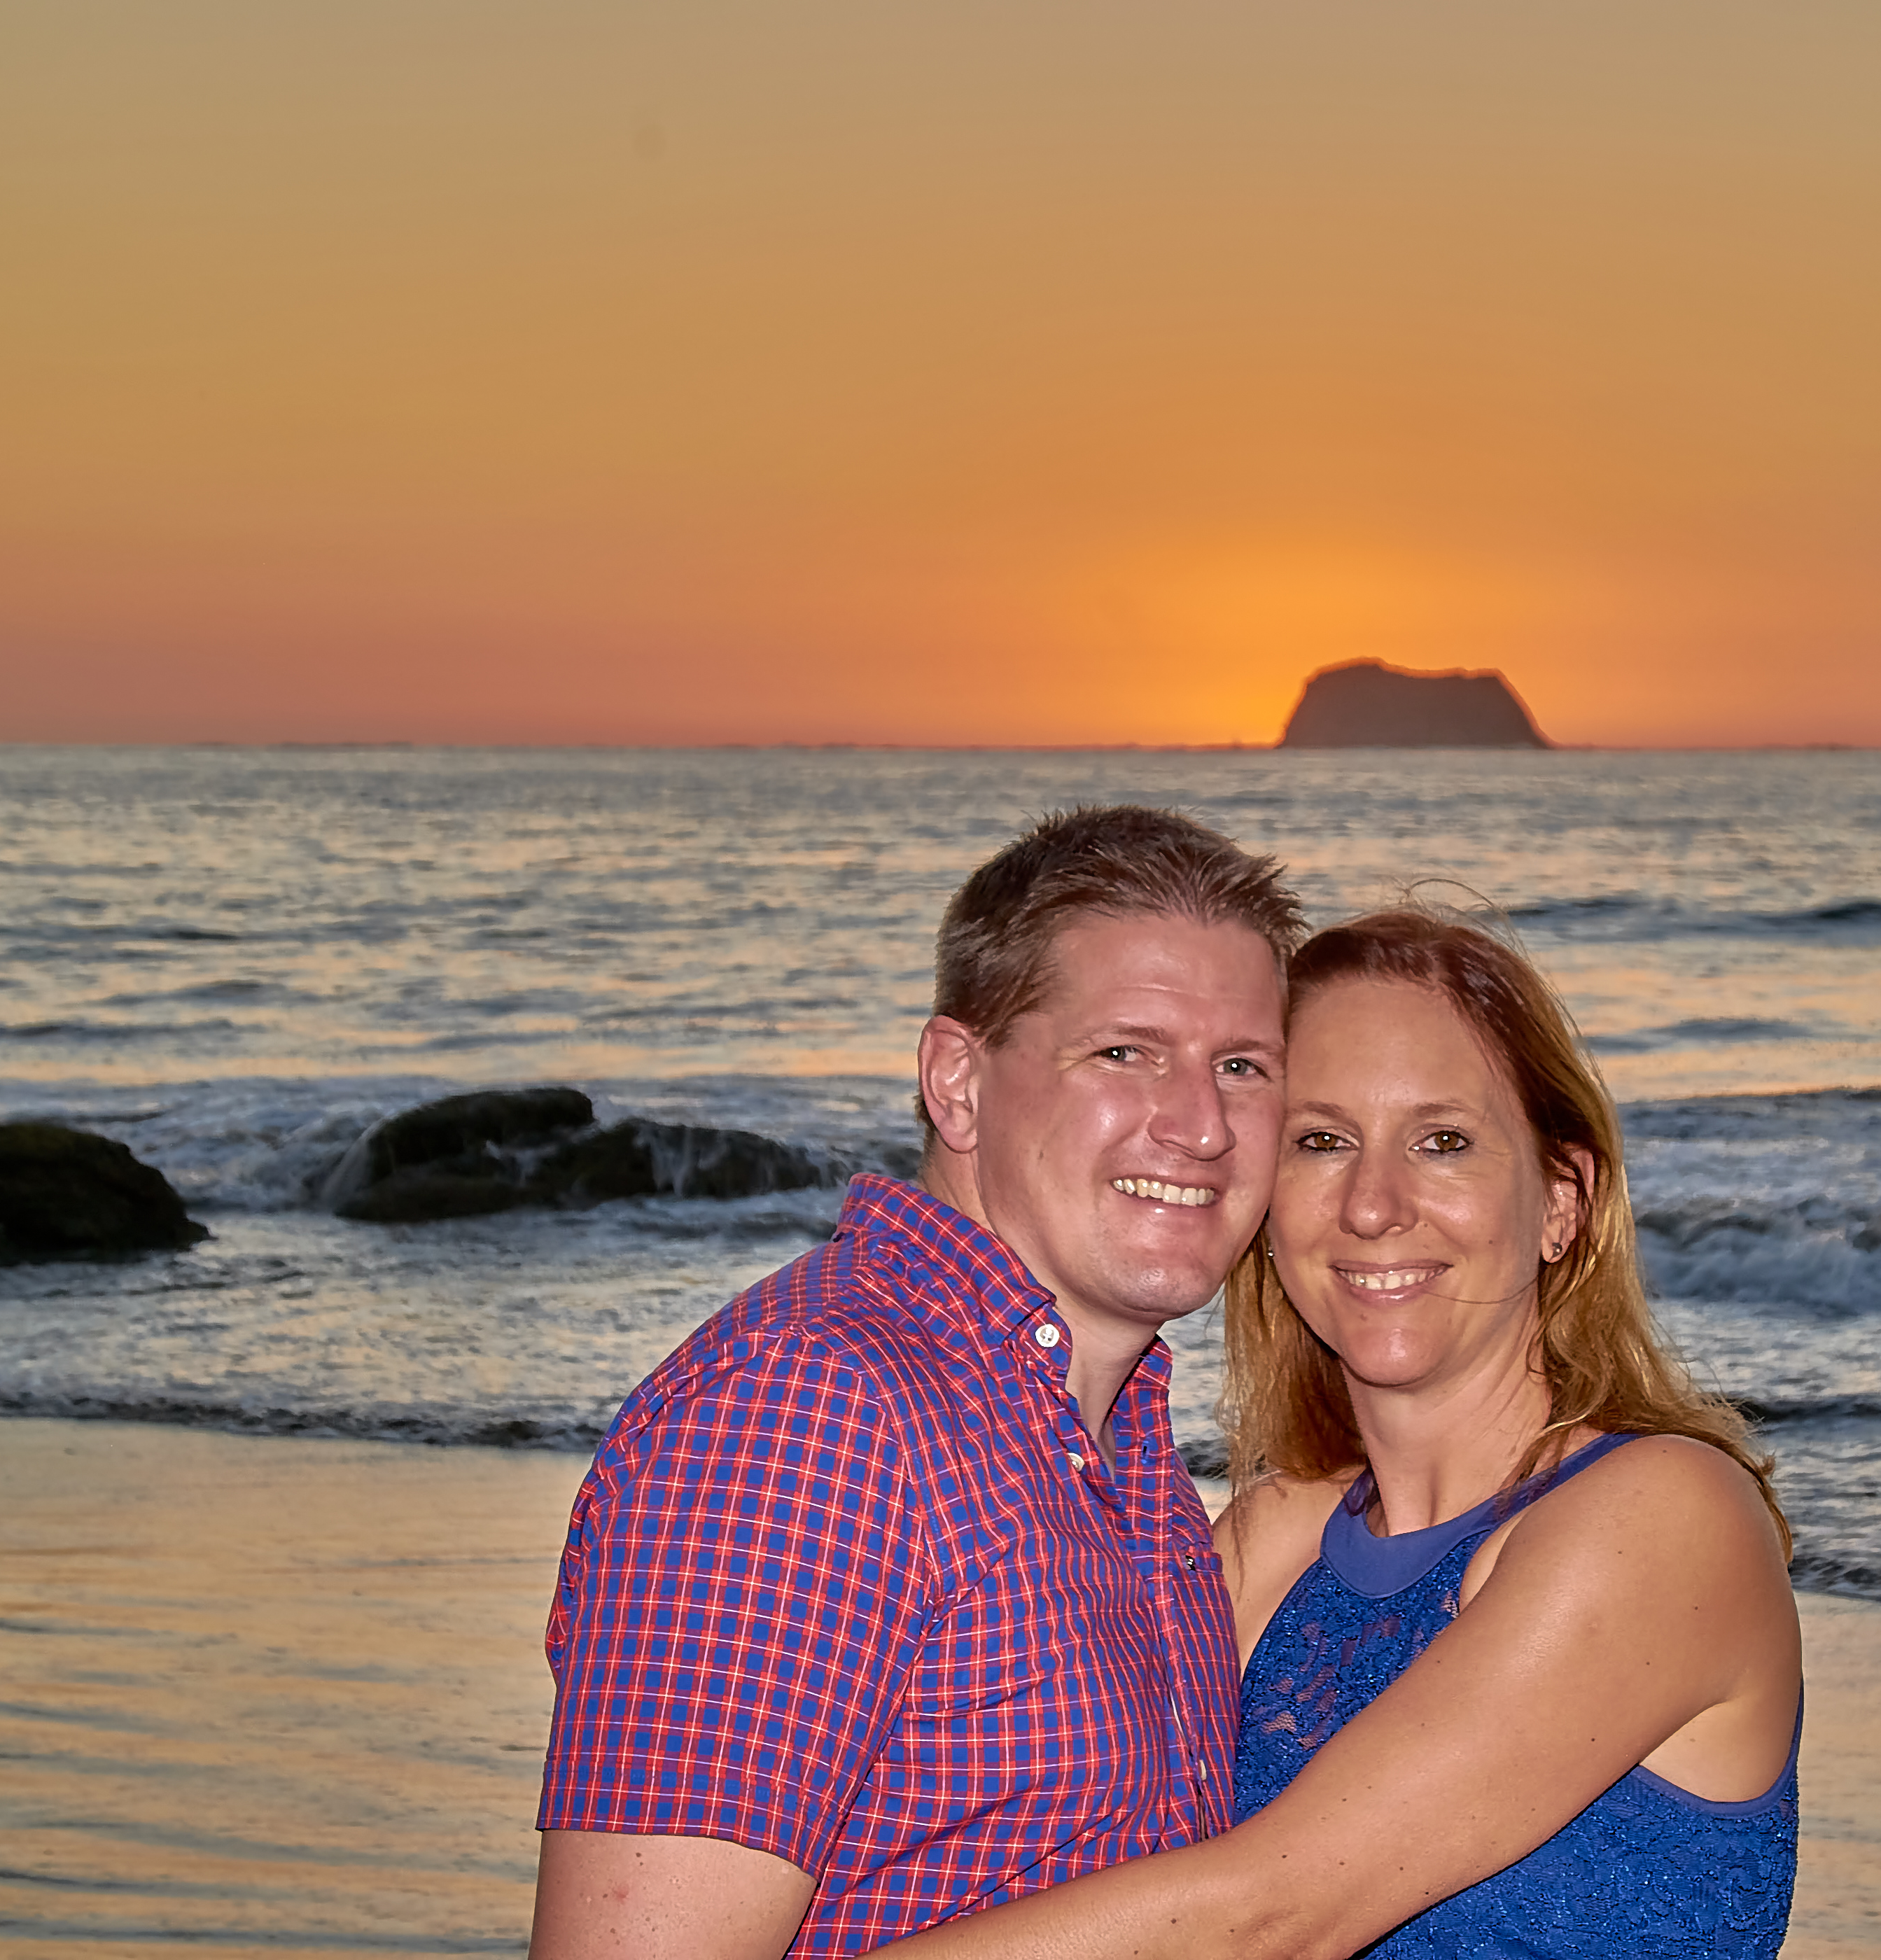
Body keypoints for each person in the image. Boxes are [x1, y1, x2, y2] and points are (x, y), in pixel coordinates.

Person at [877, 909, 1801, 1959]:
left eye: (1442, 1141)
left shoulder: (1665, 1518)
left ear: (1562, 1199)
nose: (1372, 1206)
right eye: (1321, 1142)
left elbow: (1266, 1913)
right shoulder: (1279, 1533)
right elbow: (1016, 1821)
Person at [529, 806, 1304, 1959]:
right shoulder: (809, 1414)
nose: (1199, 1126)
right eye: (1125, 1053)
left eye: (1241, 1067)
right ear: (958, 1082)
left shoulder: (1107, 1440)